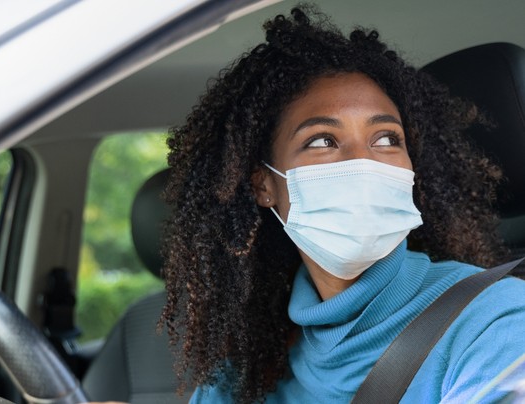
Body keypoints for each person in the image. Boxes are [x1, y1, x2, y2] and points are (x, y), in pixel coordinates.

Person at [159, 5, 525, 403]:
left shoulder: (497, 320)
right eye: (322, 141)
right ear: (264, 185)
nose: (363, 163)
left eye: (386, 138)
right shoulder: (243, 375)